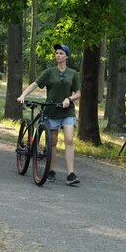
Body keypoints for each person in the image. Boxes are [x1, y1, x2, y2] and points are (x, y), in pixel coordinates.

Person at [17, 44, 81, 185]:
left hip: (67, 112)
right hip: (52, 111)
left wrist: (69, 99)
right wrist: (23, 95)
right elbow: (35, 84)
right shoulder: (49, 72)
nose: (58, 55)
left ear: (67, 57)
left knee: (69, 140)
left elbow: (78, 93)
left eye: (61, 53)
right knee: (52, 142)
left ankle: (71, 174)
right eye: (56, 53)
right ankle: (50, 171)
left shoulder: (73, 74)